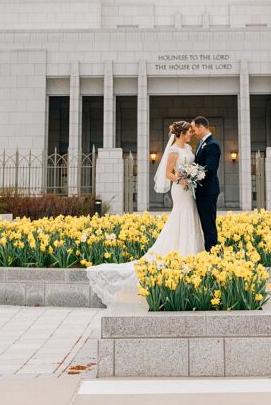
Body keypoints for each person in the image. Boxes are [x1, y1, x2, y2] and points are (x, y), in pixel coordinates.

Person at [86, 120, 204, 306]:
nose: (191, 134)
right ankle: (180, 254)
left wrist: (194, 175)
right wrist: (182, 180)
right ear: (181, 133)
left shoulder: (189, 148)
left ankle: (190, 253)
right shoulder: (173, 150)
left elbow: (192, 166)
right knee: (181, 217)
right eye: (189, 132)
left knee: (191, 216)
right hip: (180, 189)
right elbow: (168, 173)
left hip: (190, 190)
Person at [190, 116, 221, 251]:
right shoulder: (200, 143)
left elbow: (210, 169)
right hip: (202, 191)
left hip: (208, 191)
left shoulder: (213, 144)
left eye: (194, 129)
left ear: (201, 127)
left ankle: (213, 254)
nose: (193, 133)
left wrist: (191, 174)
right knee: (205, 223)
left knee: (209, 225)